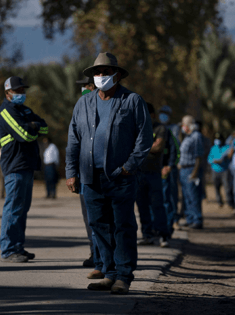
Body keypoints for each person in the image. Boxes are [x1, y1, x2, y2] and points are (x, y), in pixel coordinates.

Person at [65, 52, 153, 294]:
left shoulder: (132, 101)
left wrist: (129, 166)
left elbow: (144, 138)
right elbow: (74, 139)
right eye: (97, 72)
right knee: (98, 224)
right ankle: (109, 272)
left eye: (106, 72)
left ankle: (123, 276)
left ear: (117, 75)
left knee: (122, 225)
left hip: (120, 176)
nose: (101, 76)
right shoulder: (83, 102)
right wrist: (71, 171)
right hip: (89, 177)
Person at [0, 76, 48, 263]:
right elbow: (25, 134)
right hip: (15, 165)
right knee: (13, 208)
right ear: (7, 93)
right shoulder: (6, 111)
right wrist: (33, 126)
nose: (21, 94)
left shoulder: (24, 110)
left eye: (22, 90)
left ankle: (17, 246)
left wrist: (33, 126)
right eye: (17, 91)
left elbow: (45, 127)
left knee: (21, 209)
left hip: (26, 166)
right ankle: (9, 249)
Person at [136, 103, 170, 247]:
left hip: (154, 173)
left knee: (157, 205)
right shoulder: (136, 128)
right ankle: (147, 234)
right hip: (138, 173)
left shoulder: (160, 128)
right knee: (142, 206)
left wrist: (140, 147)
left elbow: (158, 146)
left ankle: (163, 235)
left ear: (152, 115)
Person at [75, 76, 98, 269]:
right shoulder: (80, 108)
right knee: (89, 218)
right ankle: (95, 252)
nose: (83, 90)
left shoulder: (107, 108)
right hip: (84, 174)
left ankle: (104, 255)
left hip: (101, 174)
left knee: (101, 217)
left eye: (86, 86)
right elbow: (74, 142)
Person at [179, 115, 205, 229]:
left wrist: (195, 171)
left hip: (191, 169)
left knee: (194, 195)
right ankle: (189, 218)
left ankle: (197, 219)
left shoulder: (196, 136)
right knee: (186, 196)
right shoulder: (187, 137)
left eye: (184, 125)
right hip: (183, 170)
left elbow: (198, 156)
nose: (183, 127)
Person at [158, 106, 181, 232]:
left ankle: (174, 220)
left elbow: (176, 149)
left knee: (171, 195)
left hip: (169, 168)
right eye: (161, 113)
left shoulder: (174, 129)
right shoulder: (155, 127)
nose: (163, 116)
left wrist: (171, 165)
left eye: (166, 113)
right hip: (157, 167)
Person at [207, 133, 234, 208]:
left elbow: (229, 155)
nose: (218, 141)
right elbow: (209, 159)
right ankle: (219, 202)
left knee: (227, 188)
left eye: (219, 139)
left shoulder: (227, 148)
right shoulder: (213, 148)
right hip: (215, 171)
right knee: (216, 187)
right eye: (216, 139)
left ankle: (230, 202)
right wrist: (214, 161)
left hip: (224, 171)